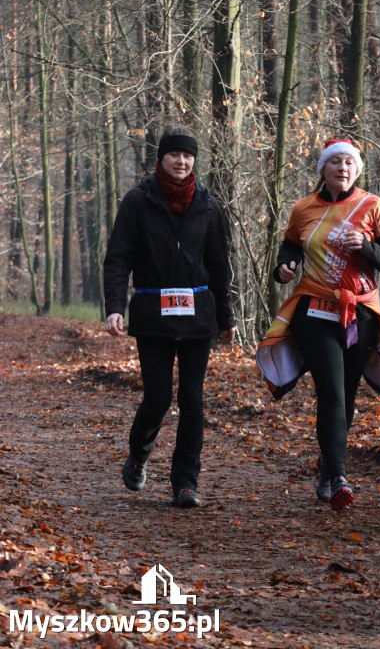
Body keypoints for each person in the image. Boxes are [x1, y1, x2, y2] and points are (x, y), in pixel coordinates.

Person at [256, 137, 380, 511]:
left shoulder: (373, 207)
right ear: (323, 170)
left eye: (349, 164)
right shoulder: (304, 208)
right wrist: (284, 267)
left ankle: (328, 468)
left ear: (356, 170)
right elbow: (290, 246)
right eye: (335, 163)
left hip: (360, 313)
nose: (342, 168)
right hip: (314, 310)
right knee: (330, 390)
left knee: (345, 393)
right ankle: (340, 475)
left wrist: (366, 246)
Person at [104, 125, 236, 509]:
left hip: (198, 320)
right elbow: (118, 259)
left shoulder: (209, 207)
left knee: (193, 402)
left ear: (194, 160)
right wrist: (114, 307)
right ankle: (139, 454)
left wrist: (226, 318)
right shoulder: (137, 201)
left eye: (188, 155)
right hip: (153, 317)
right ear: (161, 158)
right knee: (159, 397)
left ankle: (185, 483)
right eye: (174, 154)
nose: (181, 161)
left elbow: (219, 266)